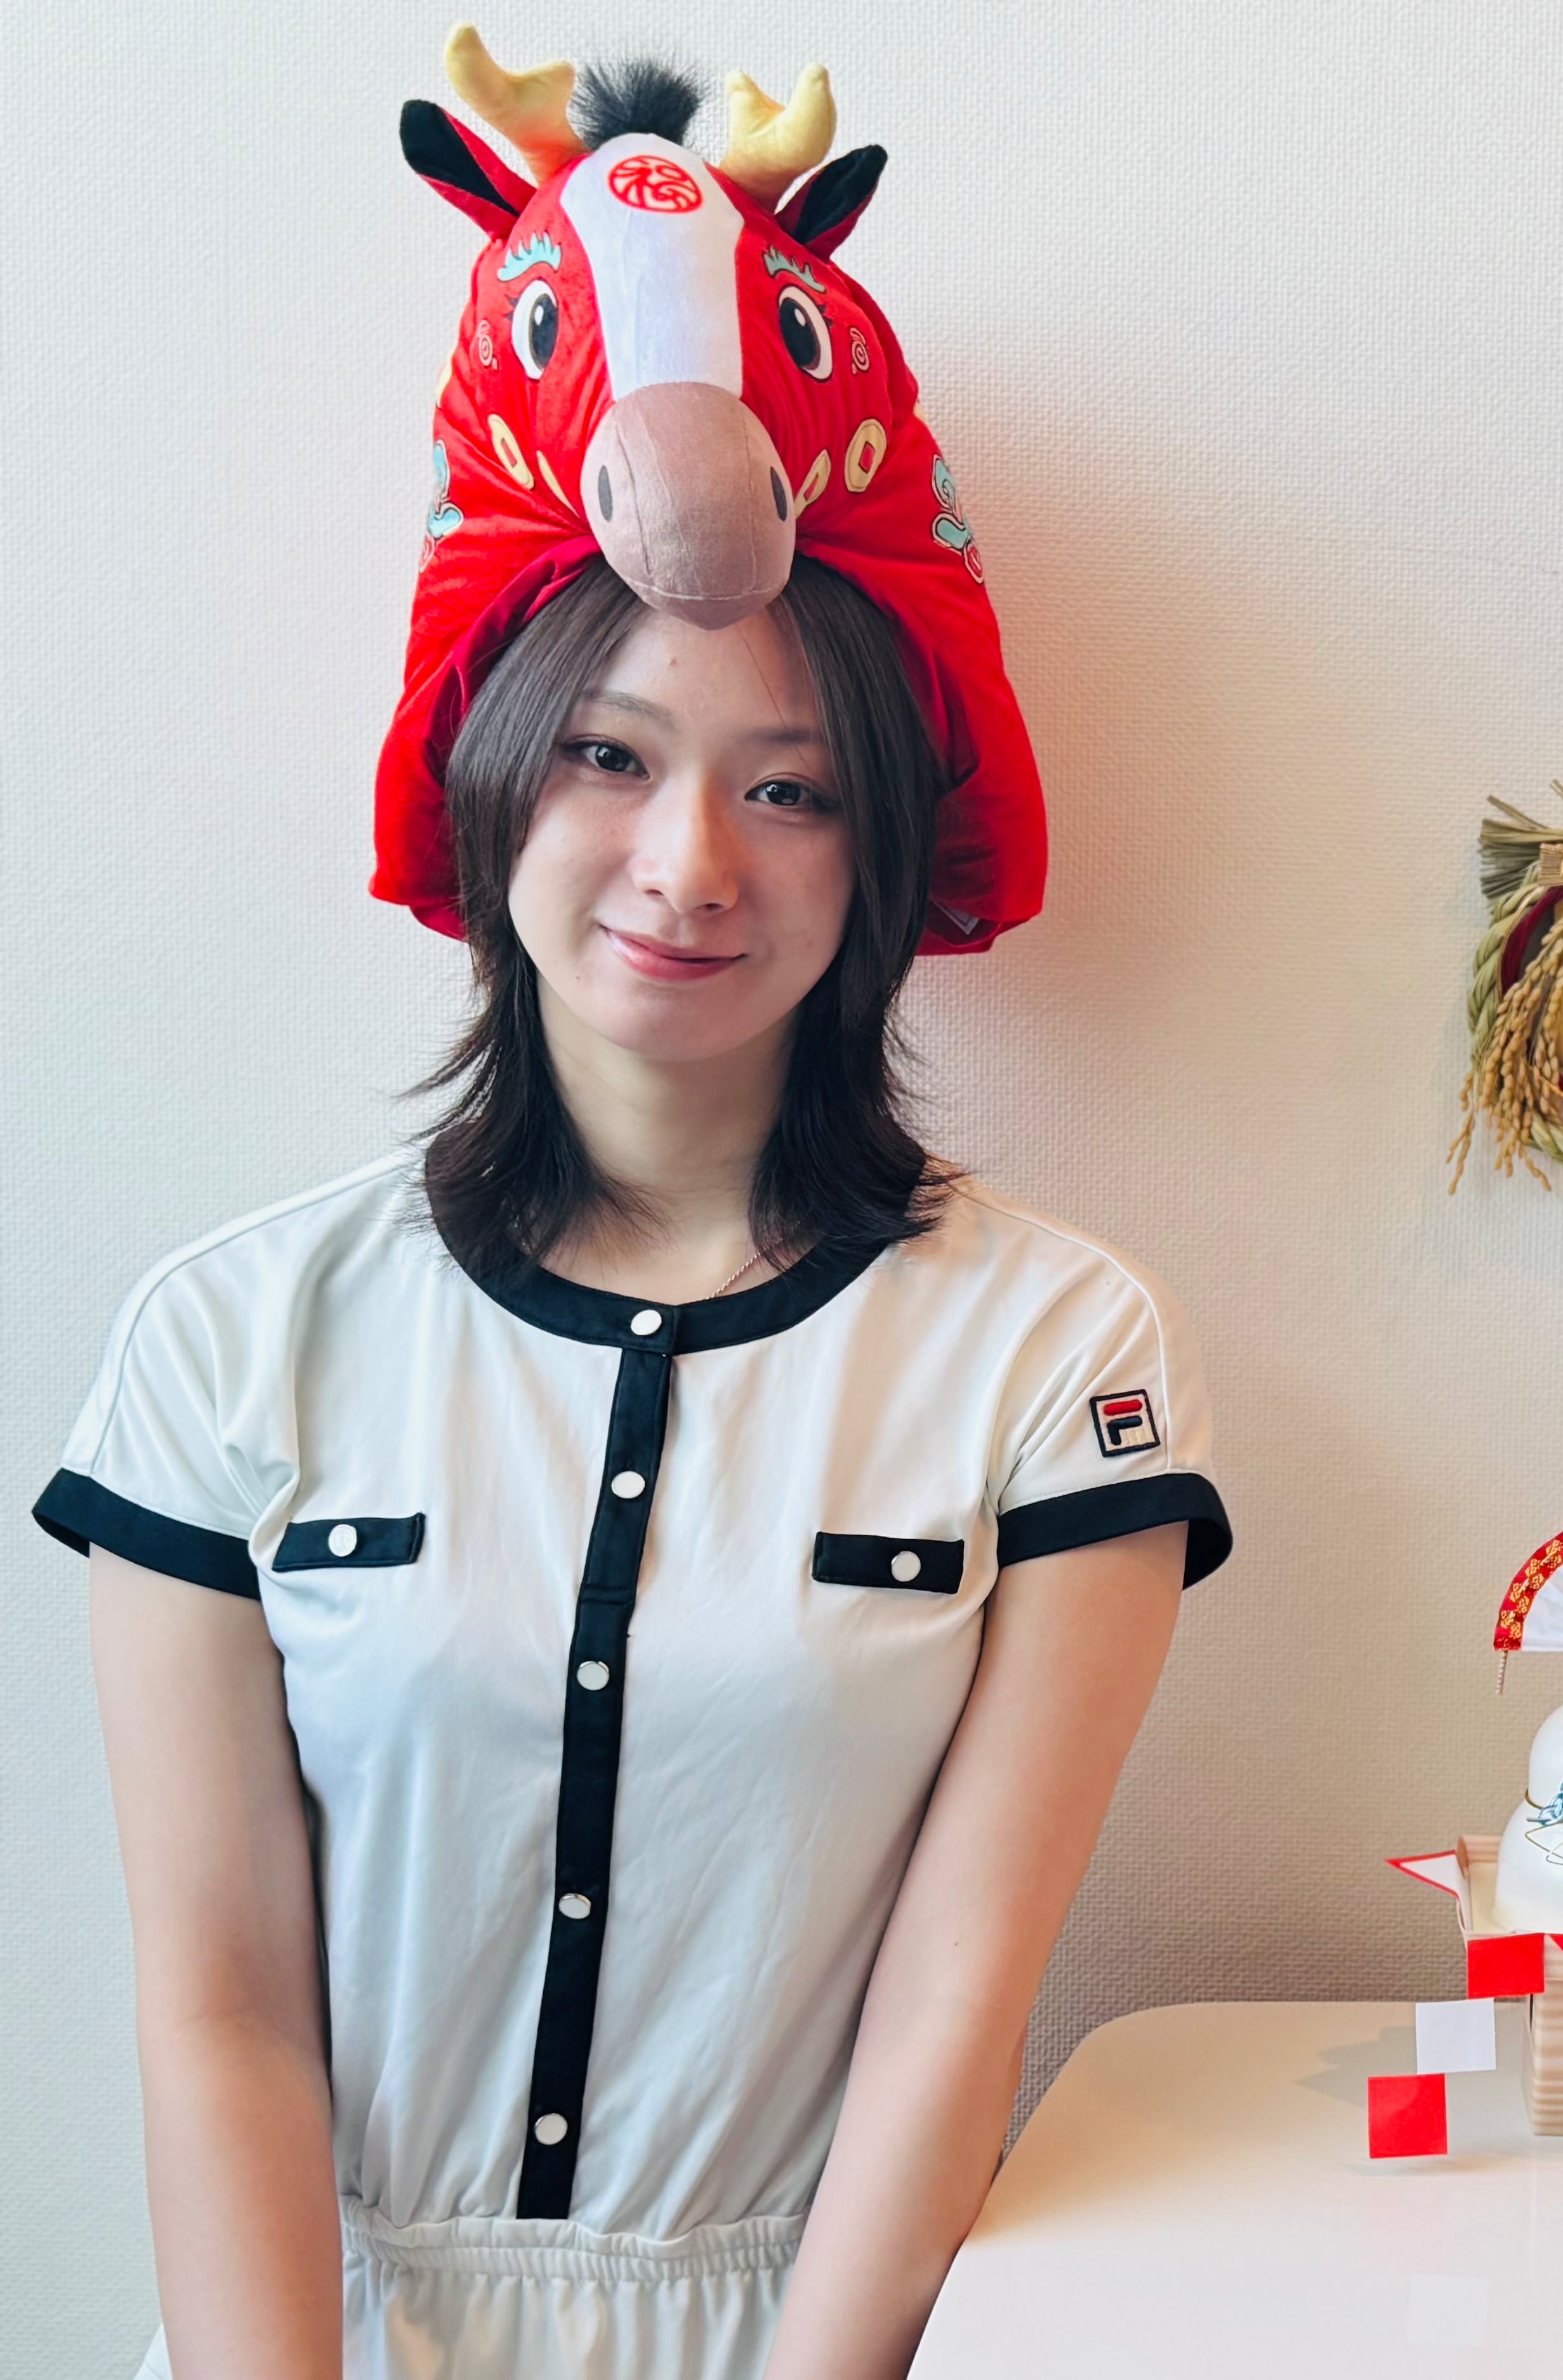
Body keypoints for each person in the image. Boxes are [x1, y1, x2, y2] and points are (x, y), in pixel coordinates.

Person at [36, 40, 1226, 2379]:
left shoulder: (1056, 1352)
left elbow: (953, 2007)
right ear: (493, 779)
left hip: (813, 2335)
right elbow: (219, 2012)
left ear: (880, 852)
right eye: (610, 756)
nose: (689, 865)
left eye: (791, 790)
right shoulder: (228, 1340)